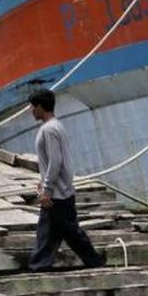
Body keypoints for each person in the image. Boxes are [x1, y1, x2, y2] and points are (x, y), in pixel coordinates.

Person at [27, 89, 105, 271]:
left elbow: (56, 161)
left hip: (57, 195)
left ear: (40, 106)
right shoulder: (56, 126)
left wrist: (47, 189)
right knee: (49, 233)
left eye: (32, 106)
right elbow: (52, 162)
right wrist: (43, 181)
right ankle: (39, 265)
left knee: (69, 232)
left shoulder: (49, 129)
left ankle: (95, 262)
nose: (31, 110)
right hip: (58, 193)